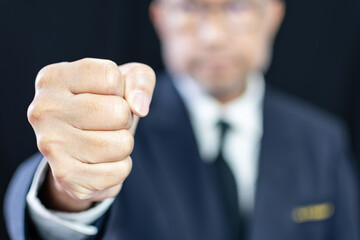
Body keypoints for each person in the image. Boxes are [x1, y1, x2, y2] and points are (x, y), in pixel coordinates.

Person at [5, 0, 359, 239]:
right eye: (190, 7)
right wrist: (67, 189)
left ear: (273, 15)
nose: (213, 36)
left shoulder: (323, 140)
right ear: (161, 19)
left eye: (237, 7)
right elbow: (45, 214)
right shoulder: (118, 124)